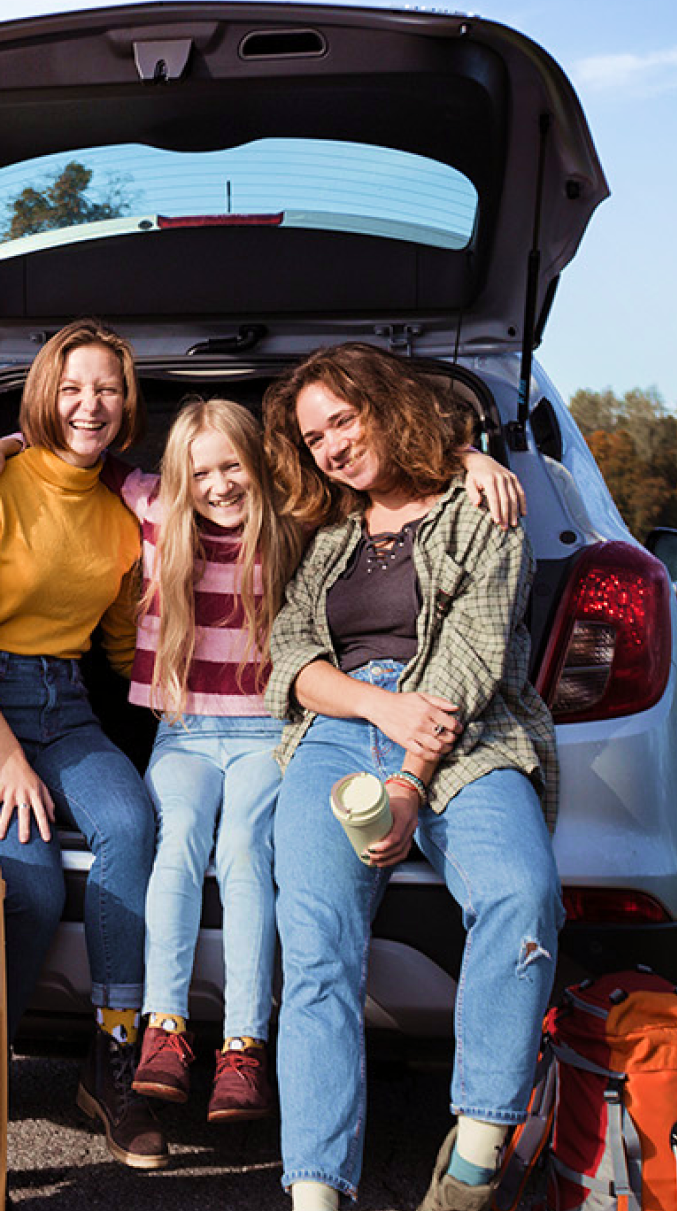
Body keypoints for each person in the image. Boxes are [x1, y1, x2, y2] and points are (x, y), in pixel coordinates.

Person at [0, 400, 517, 1139]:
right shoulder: (152, 503)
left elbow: (380, 474)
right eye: (201, 472)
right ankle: (163, 1028)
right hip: (182, 734)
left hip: (265, 734)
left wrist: (468, 457)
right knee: (175, 836)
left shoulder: (293, 515)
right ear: (176, 479)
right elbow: (76, 447)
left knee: (247, 850)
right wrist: (1, 442)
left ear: (262, 468)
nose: (217, 485)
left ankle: (242, 1046)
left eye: (232, 468)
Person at [259, 342, 560, 1211]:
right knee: (314, 948)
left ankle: (471, 1165)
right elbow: (291, 656)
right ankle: (315, 1196)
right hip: (341, 729)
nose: (333, 448)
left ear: (387, 407)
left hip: (468, 732)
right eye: (315, 438)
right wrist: (372, 708)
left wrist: (411, 775)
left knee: (522, 894)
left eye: (343, 421)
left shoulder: (483, 506)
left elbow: (474, 651)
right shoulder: (329, 533)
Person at [0, 319, 165, 1168]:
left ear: (126, 401)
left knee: (131, 825)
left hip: (66, 706)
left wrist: (168, 614)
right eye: (71, 388)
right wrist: (9, 759)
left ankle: (113, 1064)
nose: (89, 404)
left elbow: (113, 649)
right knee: (29, 882)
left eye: (106, 388)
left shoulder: (125, 519)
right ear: (44, 398)